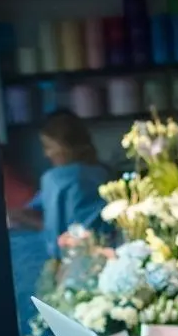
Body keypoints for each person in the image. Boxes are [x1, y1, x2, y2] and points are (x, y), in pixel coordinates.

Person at [13, 110, 111, 258]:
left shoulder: (55, 179)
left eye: (48, 147)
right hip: (104, 252)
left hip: (73, 257)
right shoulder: (103, 173)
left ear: (65, 147)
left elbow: (54, 237)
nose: (46, 154)